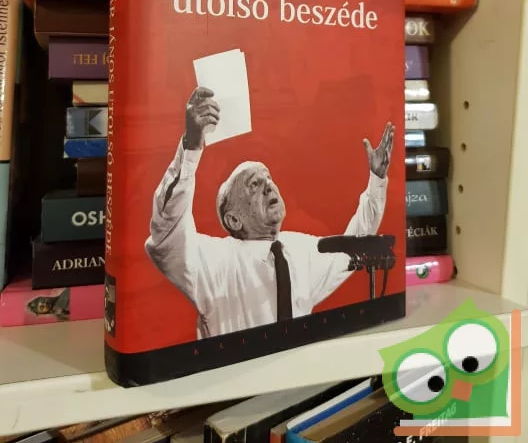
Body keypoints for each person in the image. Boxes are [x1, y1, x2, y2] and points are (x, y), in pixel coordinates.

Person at [145, 87, 395, 339]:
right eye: (254, 184)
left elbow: (355, 244)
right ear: (234, 219)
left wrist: (377, 179)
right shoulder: (213, 261)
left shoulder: (303, 250)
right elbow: (167, 232)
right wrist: (191, 146)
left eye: (268, 178)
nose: (268, 186)